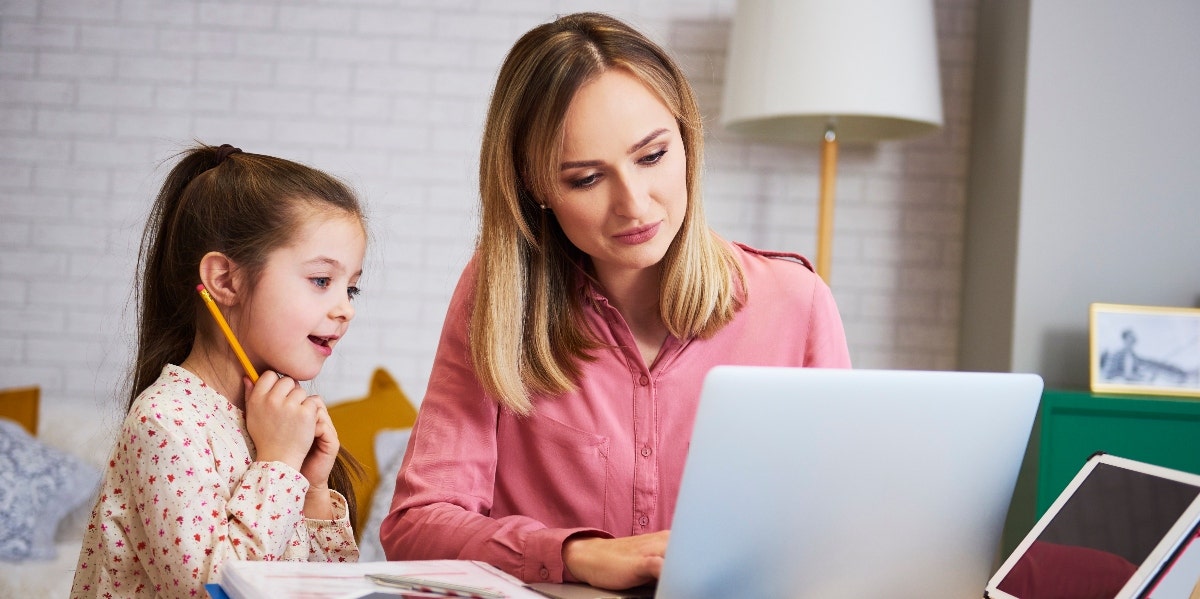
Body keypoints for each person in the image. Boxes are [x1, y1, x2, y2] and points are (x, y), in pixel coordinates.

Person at [379, 11, 851, 591]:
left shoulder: (794, 302)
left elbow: (839, 529)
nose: (634, 205)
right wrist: (575, 556)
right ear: (535, 188)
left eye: (652, 157)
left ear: (687, 142)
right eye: (585, 179)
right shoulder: (498, 295)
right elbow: (416, 525)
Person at [71, 143, 364, 598]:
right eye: (322, 281)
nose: (345, 309)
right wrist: (280, 465)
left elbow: (323, 590)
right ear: (225, 280)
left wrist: (314, 486)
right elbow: (211, 591)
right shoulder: (166, 422)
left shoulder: (273, 421)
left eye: (352, 289)